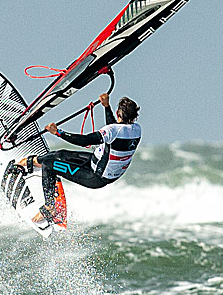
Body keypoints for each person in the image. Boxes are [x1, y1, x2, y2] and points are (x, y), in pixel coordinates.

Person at [7, 93, 141, 223]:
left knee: (49, 164)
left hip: (96, 177)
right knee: (61, 154)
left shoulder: (115, 130)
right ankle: (34, 162)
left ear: (118, 114)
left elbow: (85, 140)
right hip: (99, 165)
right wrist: (106, 107)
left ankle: (49, 208)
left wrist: (58, 132)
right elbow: (115, 129)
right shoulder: (136, 129)